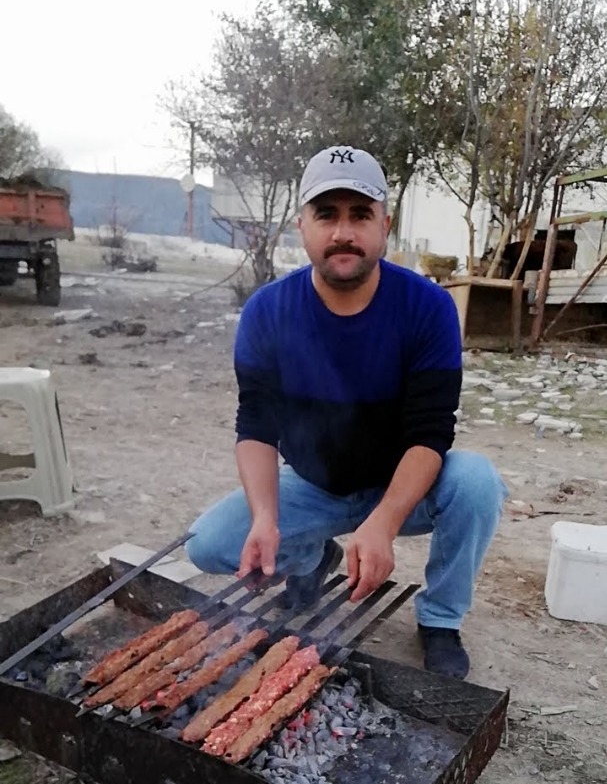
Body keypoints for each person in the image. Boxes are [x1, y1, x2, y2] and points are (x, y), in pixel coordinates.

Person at [186, 146, 508, 679]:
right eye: (326, 214)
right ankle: (315, 559)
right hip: (313, 485)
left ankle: (440, 619)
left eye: (360, 215)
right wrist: (266, 518)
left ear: (385, 225)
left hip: (399, 487)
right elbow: (256, 424)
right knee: (208, 544)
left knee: (476, 482)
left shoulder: (428, 308)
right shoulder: (268, 311)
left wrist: (384, 522)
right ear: (302, 226)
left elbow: (431, 431)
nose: (343, 232)